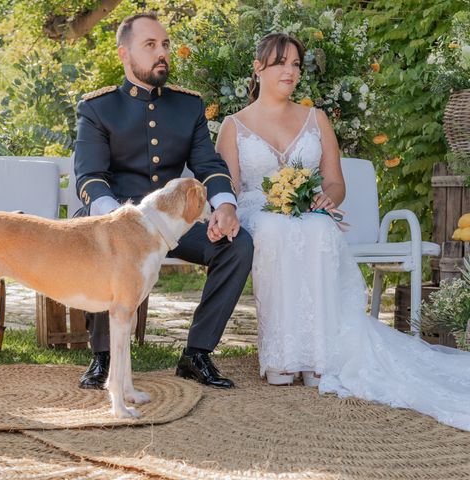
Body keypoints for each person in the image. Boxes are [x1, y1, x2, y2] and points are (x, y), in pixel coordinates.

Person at [216, 32, 470, 431]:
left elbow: (334, 182)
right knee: (275, 230)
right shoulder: (233, 126)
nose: (290, 71)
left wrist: (325, 199)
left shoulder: (316, 119)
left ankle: (320, 356)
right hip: (258, 209)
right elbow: (227, 188)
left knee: (319, 230)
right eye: (281, 62)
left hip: (307, 207)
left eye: (296, 64)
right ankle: (281, 358)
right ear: (258, 67)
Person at [73, 12, 253, 391]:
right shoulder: (98, 108)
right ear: (125, 54)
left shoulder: (188, 106)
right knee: (103, 244)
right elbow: (90, 177)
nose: (162, 54)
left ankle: (197, 353)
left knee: (238, 245)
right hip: (115, 218)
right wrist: (115, 216)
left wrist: (224, 206)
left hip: (174, 224)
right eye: (150, 45)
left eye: (165, 45)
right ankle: (104, 357)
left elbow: (209, 165)